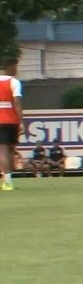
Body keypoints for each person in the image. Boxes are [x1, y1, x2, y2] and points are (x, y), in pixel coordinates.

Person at [0, 57, 24, 191]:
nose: (17, 70)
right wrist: (21, 122)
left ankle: (6, 181)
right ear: (10, 67)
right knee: (9, 150)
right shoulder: (14, 82)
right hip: (11, 121)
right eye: (16, 67)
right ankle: (8, 180)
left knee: (2, 151)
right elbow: (17, 102)